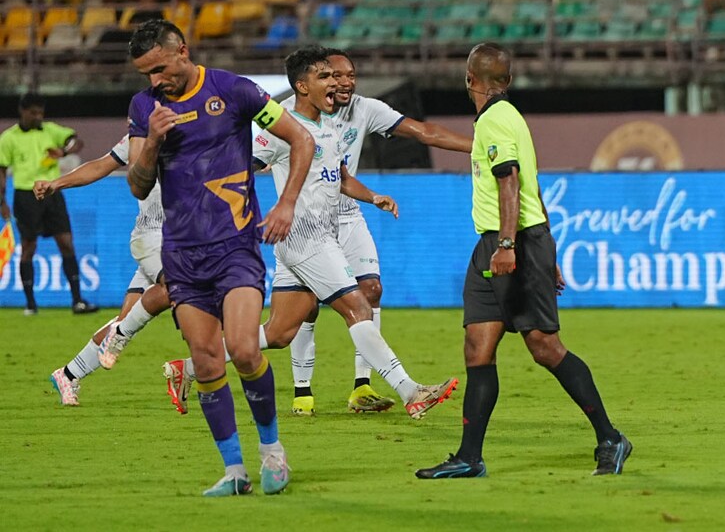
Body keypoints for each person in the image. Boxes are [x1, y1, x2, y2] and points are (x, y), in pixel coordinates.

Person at [162, 46, 460, 421]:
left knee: (280, 331)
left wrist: (372, 197)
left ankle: (186, 368)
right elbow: (240, 167)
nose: (335, 83)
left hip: (319, 235)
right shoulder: (282, 127)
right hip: (304, 238)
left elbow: (339, 178)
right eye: (325, 77)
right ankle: (410, 390)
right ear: (302, 86)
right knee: (358, 307)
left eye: (335, 77)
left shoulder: (329, 125)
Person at [416, 43, 631, 479]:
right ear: (507, 81)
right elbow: (533, 185)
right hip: (498, 243)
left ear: (469, 79)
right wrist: (537, 244)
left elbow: (510, 182)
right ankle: (469, 458)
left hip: (511, 244)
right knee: (478, 349)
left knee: (544, 347)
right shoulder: (506, 118)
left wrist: (511, 246)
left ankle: (610, 438)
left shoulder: (495, 120)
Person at [125, 19, 315, 497]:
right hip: (182, 254)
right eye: (146, 74)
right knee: (207, 364)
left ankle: (273, 452)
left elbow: (302, 140)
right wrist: (151, 141)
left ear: (183, 51)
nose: (155, 81)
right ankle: (234, 471)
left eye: (161, 69)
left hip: (235, 247)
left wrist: (286, 203)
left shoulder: (234, 91)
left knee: (246, 348)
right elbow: (137, 184)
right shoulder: (146, 108)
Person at [278, 48, 474, 416]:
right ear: (310, 83)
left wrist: (478, 147)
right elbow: (250, 159)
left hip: (346, 215)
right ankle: (303, 389)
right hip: (305, 227)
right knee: (303, 313)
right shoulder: (288, 118)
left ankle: (362, 387)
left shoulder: (363, 109)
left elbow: (423, 132)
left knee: (368, 292)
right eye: (333, 76)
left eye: (350, 75)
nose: (344, 82)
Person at [35, 135, 171, 406]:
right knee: (182, 288)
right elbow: (101, 165)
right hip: (153, 235)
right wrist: (56, 183)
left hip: (184, 237)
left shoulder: (201, 124)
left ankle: (68, 374)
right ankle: (194, 372)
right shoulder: (141, 136)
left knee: (126, 318)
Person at [0, 93, 99, 316]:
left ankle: (77, 301)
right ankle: (30, 304)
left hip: (52, 193)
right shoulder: (8, 138)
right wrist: (2, 202)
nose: (38, 117)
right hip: (26, 196)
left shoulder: (51, 130)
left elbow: (76, 141)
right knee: (28, 248)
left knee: (66, 243)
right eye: (34, 112)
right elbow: (2, 171)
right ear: (22, 111)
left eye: (41, 113)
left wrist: (63, 151)